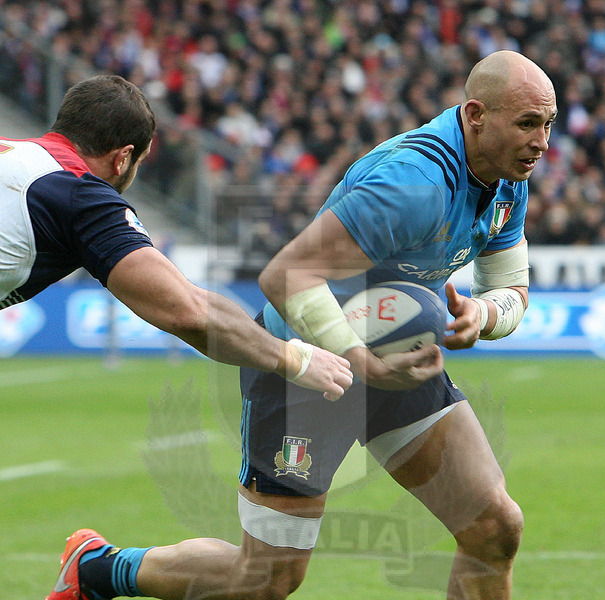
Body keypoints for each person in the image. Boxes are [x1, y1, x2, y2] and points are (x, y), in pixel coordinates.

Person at [40, 53, 566, 600]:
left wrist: (484, 313)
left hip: (393, 363)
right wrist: (354, 355)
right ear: (475, 116)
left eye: (549, 124)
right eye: (529, 123)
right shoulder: (411, 182)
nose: (542, 141)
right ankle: (101, 569)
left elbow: (513, 289)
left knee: (493, 526)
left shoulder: (509, 176)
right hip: (305, 370)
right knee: (265, 582)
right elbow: (285, 275)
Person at [0, 74, 352, 399]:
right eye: (139, 162)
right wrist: (294, 358)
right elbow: (189, 312)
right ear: (123, 158)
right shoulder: (80, 193)